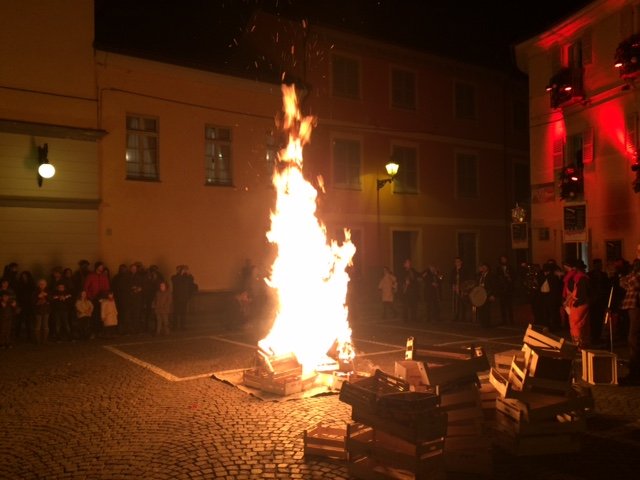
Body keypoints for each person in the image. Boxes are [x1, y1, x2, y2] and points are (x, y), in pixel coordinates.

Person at [619, 259, 640, 385]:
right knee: (633, 337)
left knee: (634, 338)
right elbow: (623, 283)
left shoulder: (636, 276)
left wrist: (629, 276)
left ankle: (635, 372)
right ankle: (634, 370)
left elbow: (632, 283)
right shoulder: (634, 275)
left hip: (636, 306)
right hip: (632, 306)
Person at [565, 259, 591, 348]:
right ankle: (584, 343)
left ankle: (578, 344)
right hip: (582, 302)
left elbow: (581, 293)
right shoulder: (583, 277)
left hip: (579, 303)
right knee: (583, 324)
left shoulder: (580, 278)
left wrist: (576, 303)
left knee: (575, 324)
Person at [84, 261, 111, 338]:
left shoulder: (104, 277)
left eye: (102, 267)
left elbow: (107, 288)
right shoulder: (91, 276)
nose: (101, 268)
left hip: (102, 299)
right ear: (97, 267)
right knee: (94, 316)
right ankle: (94, 332)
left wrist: (105, 296)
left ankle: (101, 332)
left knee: (102, 316)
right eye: (100, 267)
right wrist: (90, 296)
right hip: (93, 299)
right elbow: (86, 287)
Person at [588, 258, 611, 345]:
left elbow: (607, 287)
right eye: (598, 265)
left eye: (600, 265)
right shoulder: (590, 275)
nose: (599, 266)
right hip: (593, 301)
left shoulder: (604, 275)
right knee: (593, 319)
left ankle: (597, 336)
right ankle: (594, 336)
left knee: (600, 319)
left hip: (601, 301)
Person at [171, 265, 197, 330]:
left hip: (184, 298)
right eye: (179, 270)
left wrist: (188, 274)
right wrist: (180, 274)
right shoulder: (174, 277)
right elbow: (176, 281)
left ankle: (183, 326)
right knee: (176, 312)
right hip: (177, 298)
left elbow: (191, 283)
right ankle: (175, 326)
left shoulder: (187, 278)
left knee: (183, 313)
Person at [475, 262, 497, 328]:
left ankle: (487, 324)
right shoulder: (480, 275)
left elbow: (494, 286)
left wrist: (493, 294)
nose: (483, 269)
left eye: (485, 267)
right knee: (480, 309)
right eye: (482, 267)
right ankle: (482, 323)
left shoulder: (491, 275)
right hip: (480, 295)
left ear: (487, 268)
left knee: (486, 309)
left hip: (488, 294)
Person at [451, 257, 472, 322]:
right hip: (456, 288)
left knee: (463, 303)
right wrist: (453, 285)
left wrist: (464, 288)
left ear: (461, 262)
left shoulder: (464, 270)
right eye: (456, 261)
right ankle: (456, 316)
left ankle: (463, 316)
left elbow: (466, 279)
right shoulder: (453, 270)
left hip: (462, 288)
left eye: (458, 261)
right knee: (456, 303)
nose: (457, 263)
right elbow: (451, 279)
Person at [495, 255, 515, 325]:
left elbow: (514, 277)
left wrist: (509, 277)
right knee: (502, 305)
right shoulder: (498, 268)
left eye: (504, 259)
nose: (503, 260)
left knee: (509, 305)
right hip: (502, 289)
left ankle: (511, 320)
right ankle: (504, 320)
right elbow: (497, 278)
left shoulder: (510, 268)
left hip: (509, 289)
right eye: (502, 259)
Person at [400, 259, 420, 323]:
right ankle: (405, 319)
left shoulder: (413, 270)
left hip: (413, 291)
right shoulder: (402, 271)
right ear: (404, 264)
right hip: (406, 291)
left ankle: (413, 318)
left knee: (413, 305)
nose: (409, 263)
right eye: (408, 263)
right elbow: (400, 280)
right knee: (405, 305)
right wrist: (405, 282)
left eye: (409, 262)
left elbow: (418, 276)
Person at [32, 279, 51, 344]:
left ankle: (44, 340)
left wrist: (47, 295)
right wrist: (38, 297)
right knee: (38, 325)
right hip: (38, 311)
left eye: (43, 284)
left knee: (45, 325)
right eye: (40, 284)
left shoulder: (48, 291)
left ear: (46, 285)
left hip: (46, 310)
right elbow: (32, 301)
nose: (42, 285)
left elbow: (52, 300)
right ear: (38, 285)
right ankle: (38, 340)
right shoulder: (35, 292)